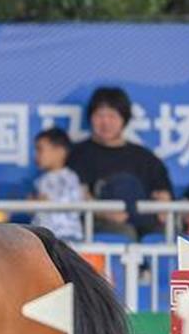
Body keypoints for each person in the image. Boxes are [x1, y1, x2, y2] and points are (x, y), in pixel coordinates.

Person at [66, 86, 173, 240]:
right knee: (124, 234)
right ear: (90, 117)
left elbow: (163, 193)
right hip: (99, 224)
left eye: (112, 116)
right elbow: (79, 194)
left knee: (164, 236)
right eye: (100, 115)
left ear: (124, 119)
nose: (106, 122)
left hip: (145, 222)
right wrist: (105, 213)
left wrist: (162, 206)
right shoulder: (78, 154)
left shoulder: (145, 157)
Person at [30, 128, 83, 241]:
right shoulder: (41, 180)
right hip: (44, 236)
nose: (36, 155)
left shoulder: (69, 177)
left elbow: (70, 203)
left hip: (65, 236)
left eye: (40, 150)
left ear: (60, 151)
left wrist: (45, 201)